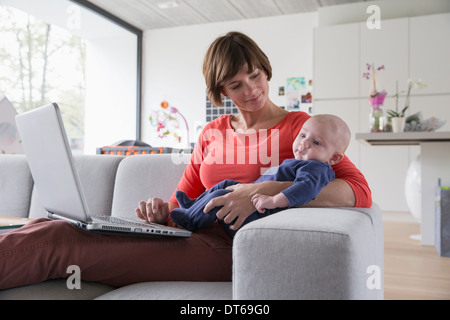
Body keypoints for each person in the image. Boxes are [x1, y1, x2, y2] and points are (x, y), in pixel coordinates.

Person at [0, 31, 371, 291]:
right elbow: (183, 198)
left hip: (231, 245)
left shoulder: (301, 130)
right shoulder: (212, 132)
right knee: (46, 225)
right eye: (236, 84)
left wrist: (257, 191)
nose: (251, 89)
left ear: (265, 70)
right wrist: (161, 213)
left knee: (58, 241)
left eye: (254, 75)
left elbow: (357, 190)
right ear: (221, 90)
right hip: (186, 233)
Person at [169, 114, 351, 238]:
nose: (304, 143)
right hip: (252, 203)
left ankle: (191, 221)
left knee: (220, 197)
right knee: (224, 185)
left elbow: (306, 190)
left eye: (316, 142)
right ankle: (193, 205)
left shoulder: (317, 169)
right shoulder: (301, 162)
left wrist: (274, 200)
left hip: (258, 214)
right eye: (302, 135)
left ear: (334, 158)